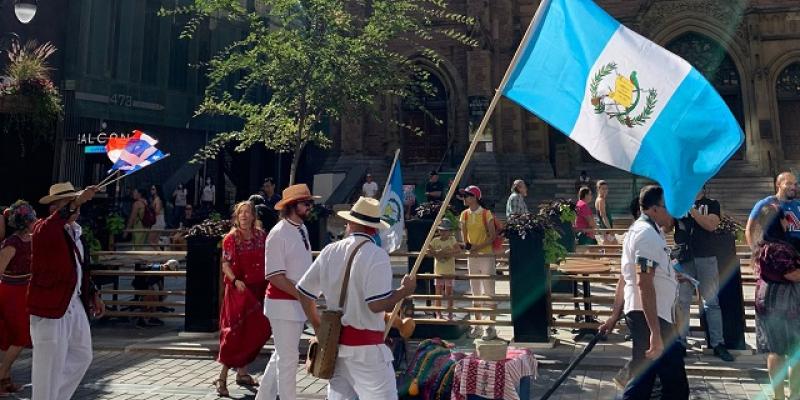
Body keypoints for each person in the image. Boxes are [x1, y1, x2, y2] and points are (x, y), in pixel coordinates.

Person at [296, 197, 417, 399]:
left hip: (335, 347)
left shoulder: (329, 251)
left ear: (350, 224)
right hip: (366, 353)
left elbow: (303, 291)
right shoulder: (376, 255)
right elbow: (376, 304)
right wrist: (404, 291)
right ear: (375, 229)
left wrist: (317, 325)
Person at [597, 185, 688, 400]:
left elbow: (625, 277)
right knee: (667, 382)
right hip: (650, 317)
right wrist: (655, 333)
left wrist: (613, 316)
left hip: (651, 315)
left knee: (649, 379)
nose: (671, 213)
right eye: (668, 207)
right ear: (654, 209)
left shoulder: (647, 231)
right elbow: (643, 283)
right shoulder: (646, 234)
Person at [29, 182, 105, 400]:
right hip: (51, 306)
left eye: (75, 203)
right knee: (48, 368)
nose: (76, 208)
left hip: (73, 302)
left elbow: (80, 267)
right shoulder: (43, 229)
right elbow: (50, 228)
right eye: (68, 203)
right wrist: (77, 200)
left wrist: (93, 294)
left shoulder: (75, 232)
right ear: (54, 208)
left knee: (82, 355)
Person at [256, 184, 319, 400]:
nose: (310, 206)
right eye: (306, 203)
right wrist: (302, 294)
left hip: (295, 304)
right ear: (293, 206)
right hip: (282, 305)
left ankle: (263, 397)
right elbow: (274, 276)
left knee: (282, 355)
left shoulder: (301, 228)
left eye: (310, 202)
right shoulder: (278, 233)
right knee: (288, 358)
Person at [215, 201, 271, 397]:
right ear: (236, 217)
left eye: (248, 213)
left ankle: (242, 372)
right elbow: (225, 264)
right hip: (239, 291)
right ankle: (222, 378)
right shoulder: (231, 238)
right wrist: (235, 280)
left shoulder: (261, 236)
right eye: (241, 213)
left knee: (256, 330)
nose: (245, 216)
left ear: (254, 216)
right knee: (233, 333)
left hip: (258, 289)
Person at [673, 186, 733, 361]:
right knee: (682, 302)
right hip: (684, 259)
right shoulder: (679, 204)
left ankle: (717, 343)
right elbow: (669, 225)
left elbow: (711, 225)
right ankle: (680, 342)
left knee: (711, 302)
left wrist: (691, 210)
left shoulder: (712, 204)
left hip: (706, 257)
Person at [752, 203, 800, 400]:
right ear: (778, 221)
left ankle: (779, 395)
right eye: (784, 218)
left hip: (768, 300)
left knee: (776, 350)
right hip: (783, 303)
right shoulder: (778, 248)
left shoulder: (764, 245)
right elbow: (793, 275)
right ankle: (793, 393)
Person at [0, 201, 36, 395]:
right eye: (32, 219)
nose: (36, 221)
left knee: (12, 338)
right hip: (11, 292)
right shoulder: (12, 243)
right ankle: (1, 375)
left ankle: (5, 381)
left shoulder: (33, 239)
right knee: (20, 337)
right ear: (26, 222)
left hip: (24, 291)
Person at [459, 185, 498, 340]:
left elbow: (493, 236)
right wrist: (469, 248)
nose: (464, 198)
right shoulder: (464, 214)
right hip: (473, 256)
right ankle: (477, 324)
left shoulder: (486, 213)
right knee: (475, 292)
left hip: (486, 255)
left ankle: (491, 326)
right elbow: (463, 236)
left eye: (467, 195)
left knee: (489, 291)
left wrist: (477, 247)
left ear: (475, 197)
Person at [747, 172, 800, 249]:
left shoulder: (798, 204)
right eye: (788, 183)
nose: (793, 187)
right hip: (777, 254)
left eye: (795, 184)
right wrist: (756, 252)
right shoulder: (766, 203)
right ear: (778, 184)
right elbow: (750, 230)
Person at [429, 219, 460, 320]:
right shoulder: (435, 240)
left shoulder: (452, 240)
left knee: (449, 292)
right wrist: (437, 253)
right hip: (439, 270)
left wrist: (447, 253)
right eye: (441, 230)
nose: (443, 233)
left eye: (446, 230)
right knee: (438, 292)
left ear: (450, 231)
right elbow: (429, 249)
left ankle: (450, 312)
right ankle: (438, 312)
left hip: (449, 271)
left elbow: (458, 250)